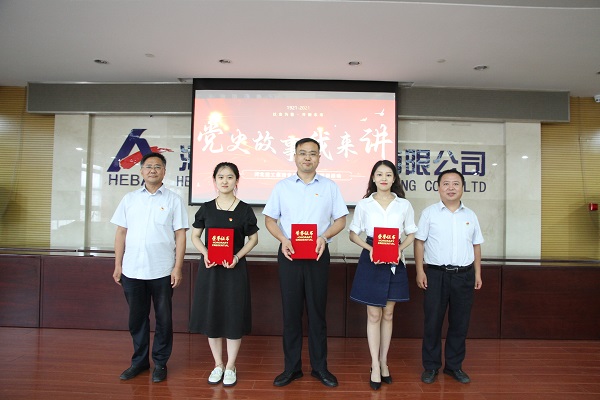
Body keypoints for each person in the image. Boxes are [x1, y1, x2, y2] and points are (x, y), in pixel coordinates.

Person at [263, 137, 349, 388]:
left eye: (312, 153)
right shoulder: (282, 187)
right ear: (295, 157)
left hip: (318, 255)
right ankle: (292, 368)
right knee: (291, 313)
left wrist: (324, 236)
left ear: (319, 158)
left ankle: (320, 368)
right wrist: (283, 239)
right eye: (303, 153)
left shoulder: (330, 187)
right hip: (289, 254)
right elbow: (269, 219)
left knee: (317, 313)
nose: (307, 158)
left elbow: (341, 220)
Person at [111, 152, 189, 383]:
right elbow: (121, 232)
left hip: (162, 270)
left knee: (164, 319)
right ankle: (139, 362)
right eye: (148, 166)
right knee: (137, 319)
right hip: (132, 270)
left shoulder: (173, 200)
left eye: (157, 166)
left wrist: (178, 267)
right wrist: (117, 264)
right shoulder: (129, 199)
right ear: (141, 171)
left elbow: (181, 235)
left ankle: (161, 363)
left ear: (164, 171)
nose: (152, 170)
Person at [348, 160, 417, 390]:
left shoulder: (404, 204)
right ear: (373, 178)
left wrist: (399, 249)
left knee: (388, 314)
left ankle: (384, 361)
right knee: (373, 314)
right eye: (379, 174)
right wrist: (370, 249)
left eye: (388, 174)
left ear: (394, 178)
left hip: (394, 258)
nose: (384, 178)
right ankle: (374, 365)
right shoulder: (364, 204)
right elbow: (353, 234)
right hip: (372, 258)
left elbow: (411, 233)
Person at [189, 162, 259, 387]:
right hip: (211, 270)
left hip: (234, 270)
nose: (225, 181)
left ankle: (231, 366)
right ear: (214, 180)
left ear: (236, 181)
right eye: (220, 177)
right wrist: (206, 253)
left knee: (233, 316)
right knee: (213, 314)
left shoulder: (245, 209)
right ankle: (218, 364)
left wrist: (237, 257)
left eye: (230, 177)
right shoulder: (206, 208)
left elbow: (253, 239)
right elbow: (195, 236)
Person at [414, 168, 483, 385]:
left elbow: (476, 245)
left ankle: (454, 366)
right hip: (436, 275)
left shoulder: (470, 215)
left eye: (455, 184)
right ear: (438, 188)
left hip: (464, 276)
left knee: (460, 323)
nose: (451, 188)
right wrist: (419, 270)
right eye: (446, 183)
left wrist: (478, 273)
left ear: (463, 188)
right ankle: (431, 366)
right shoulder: (429, 213)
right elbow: (419, 242)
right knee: (432, 322)